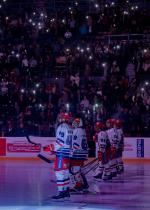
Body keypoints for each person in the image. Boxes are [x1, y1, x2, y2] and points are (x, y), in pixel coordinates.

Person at [50, 112, 73, 200]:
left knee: (59, 173)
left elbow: (60, 142)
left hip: (61, 154)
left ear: (63, 118)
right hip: (67, 153)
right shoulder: (69, 127)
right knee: (66, 173)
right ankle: (66, 191)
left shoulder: (62, 127)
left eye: (60, 117)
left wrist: (51, 148)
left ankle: (61, 192)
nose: (59, 118)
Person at [70, 117, 89, 191]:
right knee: (80, 170)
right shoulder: (82, 130)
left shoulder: (76, 131)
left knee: (75, 170)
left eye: (76, 122)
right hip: (83, 153)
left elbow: (74, 143)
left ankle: (79, 185)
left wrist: (71, 152)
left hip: (78, 153)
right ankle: (85, 183)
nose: (74, 123)